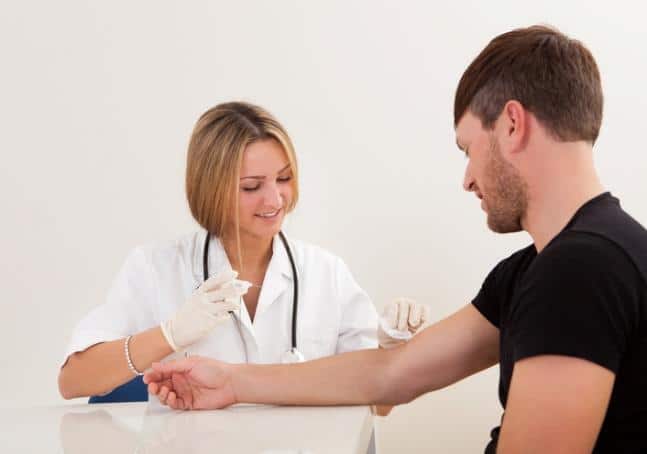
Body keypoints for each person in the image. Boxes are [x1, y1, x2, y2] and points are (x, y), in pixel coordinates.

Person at [144, 26, 647, 453]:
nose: (468, 178)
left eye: (469, 148)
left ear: (512, 125)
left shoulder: (580, 272)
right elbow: (394, 374)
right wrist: (232, 382)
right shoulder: (539, 268)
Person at [58, 101, 430, 400]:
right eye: (252, 186)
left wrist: (391, 347)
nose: (274, 199)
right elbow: (73, 380)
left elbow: (379, 406)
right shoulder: (157, 268)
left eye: (284, 179)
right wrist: (170, 335)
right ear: (211, 188)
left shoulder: (325, 273)